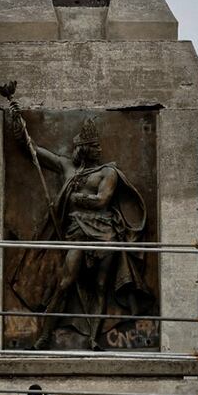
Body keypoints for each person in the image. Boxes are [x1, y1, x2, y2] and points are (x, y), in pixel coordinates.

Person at [11, 113, 150, 351]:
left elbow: (102, 200)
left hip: (104, 232)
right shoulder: (66, 166)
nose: (98, 149)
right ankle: (45, 335)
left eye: (98, 145)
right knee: (65, 282)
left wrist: (79, 197)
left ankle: (95, 338)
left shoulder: (108, 172)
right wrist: (17, 123)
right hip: (76, 232)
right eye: (93, 146)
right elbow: (34, 150)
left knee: (100, 286)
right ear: (83, 149)